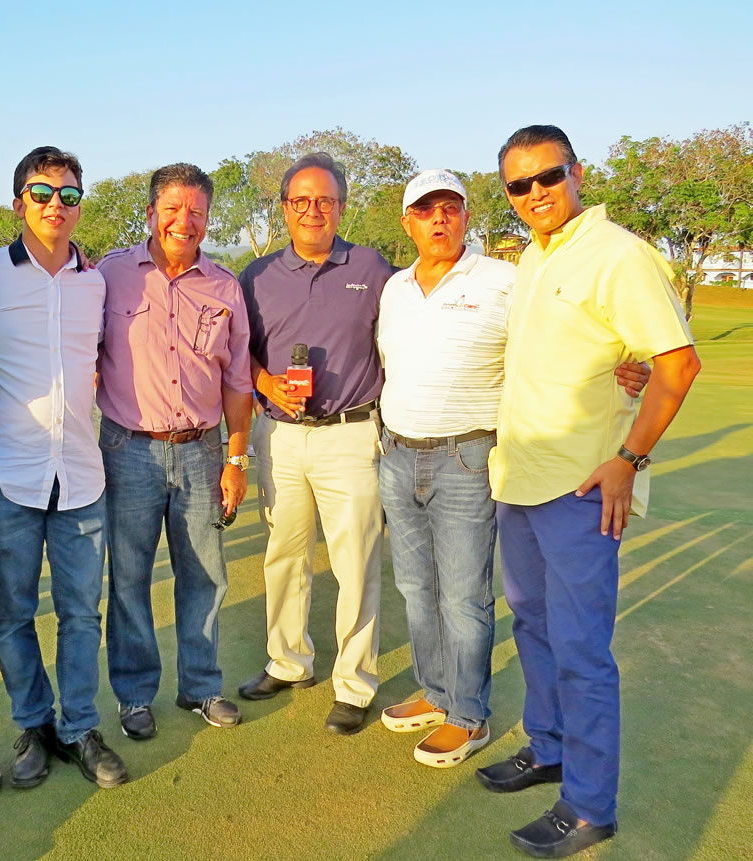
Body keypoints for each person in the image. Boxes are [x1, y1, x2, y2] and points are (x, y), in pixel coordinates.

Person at [476, 125, 700, 859]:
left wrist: (629, 458)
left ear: (577, 173)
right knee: (533, 627)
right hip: (521, 479)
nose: (535, 193)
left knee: (580, 649)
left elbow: (677, 363)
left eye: (549, 176)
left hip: (582, 487)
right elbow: (604, 353)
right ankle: (548, 748)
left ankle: (589, 805)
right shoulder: (535, 257)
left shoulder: (617, 254)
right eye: (519, 185)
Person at [376, 170, 649, 768]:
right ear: (408, 222)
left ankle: (468, 716)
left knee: (463, 596)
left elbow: (564, 339)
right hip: (396, 453)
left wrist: (625, 365)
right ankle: (436, 691)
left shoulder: (504, 279)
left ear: (466, 216)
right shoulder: (394, 287)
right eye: (425, 210)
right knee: (416, 589)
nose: (439, 219)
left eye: (450, 208)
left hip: (466, 455)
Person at [0, 146, 128, 790]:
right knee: (12, 613)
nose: (55, 205)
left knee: (81, 614)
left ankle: (80, 727)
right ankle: (33, 724)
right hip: (5, 473)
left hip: (81, 475)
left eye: (67, 194)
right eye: (41, 193)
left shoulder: (98, 282)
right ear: (19, 204)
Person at [237, 152, 396, 735]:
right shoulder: (257, 276)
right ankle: (288, 661)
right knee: (284, 554)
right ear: (284, 208)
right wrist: (266, 383)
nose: (312, 211)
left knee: (356, 562)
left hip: (351, 434)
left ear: (341, 207)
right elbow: (239, 352)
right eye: (300, 201)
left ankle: (354, 684)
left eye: (324, 200)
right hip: (279, 434)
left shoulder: (371, 268)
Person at [97, 163, 251, 740]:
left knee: (205, 575)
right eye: (172, 209)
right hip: (128, 448)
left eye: (196, 212)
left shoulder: (225, 286)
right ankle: (134, 695)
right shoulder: (110, 274)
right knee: (130, 578)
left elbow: (238, 381)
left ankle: (201, 687)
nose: (183, 221)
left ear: (208, 219)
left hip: (202, 450)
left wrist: (236, 459)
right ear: (151, 214)